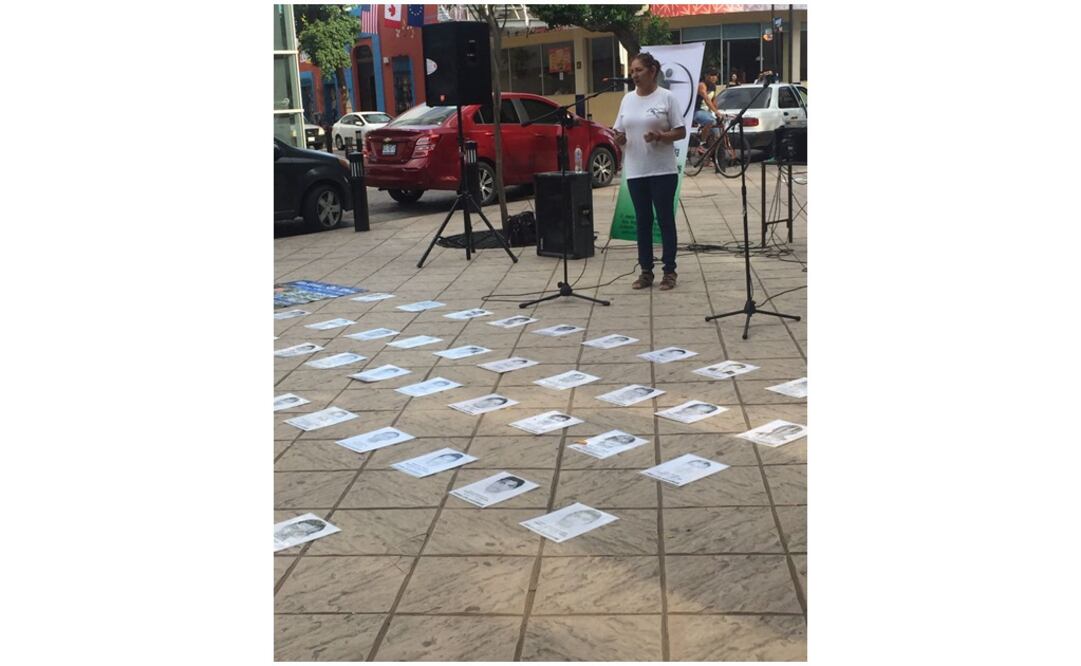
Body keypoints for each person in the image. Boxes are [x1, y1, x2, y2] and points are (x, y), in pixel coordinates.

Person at [613, 52, 685, 292]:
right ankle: (645, 271)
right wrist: (619, 137)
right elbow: (619, 131)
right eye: (632, 71)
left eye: (639, 70)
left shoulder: (667, 97)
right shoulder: (627, 100)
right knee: (642, 222)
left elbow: (681, 131)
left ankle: (669, 271)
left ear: (652, 71)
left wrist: (660, 136)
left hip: (662, 170)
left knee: (665, 220)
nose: (634, 75)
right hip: (636, 170)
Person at [694, 68, 724, 142]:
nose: (714, 77)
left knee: (718, 133)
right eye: (712, 75)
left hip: (708, 112)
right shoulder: (701, 85)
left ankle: (713, 150)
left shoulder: (713, 86)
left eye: (716, 75)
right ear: (706, 76)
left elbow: (713, 100)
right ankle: (702, 142)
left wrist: (717, 112)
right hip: (697, 111)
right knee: (710, 121)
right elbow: (707, 99)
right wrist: (715, 112)